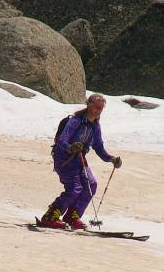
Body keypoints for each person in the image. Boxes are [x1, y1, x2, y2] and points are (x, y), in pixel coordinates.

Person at [41, 93, 122, 230]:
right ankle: (50, 216)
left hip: (79, 159)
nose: (98, 111)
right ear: (89, 105)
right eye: (96, 107)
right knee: (75, 188)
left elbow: (99, 148)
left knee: (91, 184)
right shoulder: (75, 121)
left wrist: (111, 159)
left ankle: (72, 216)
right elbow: (61, 140)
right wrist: (71, 148)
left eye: (101, 108)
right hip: (64, 159)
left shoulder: (95, 126)